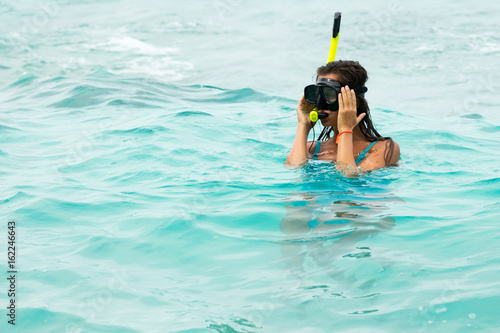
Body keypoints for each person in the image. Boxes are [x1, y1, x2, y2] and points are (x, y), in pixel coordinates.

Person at [285, 60, 400, 175]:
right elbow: (294, 171)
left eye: (330, 95)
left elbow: (346, 176)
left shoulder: (383, 148)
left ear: (355, 101)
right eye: (317, 94)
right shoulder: (312, 149)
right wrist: (303, 125)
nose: (320, 103)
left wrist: (345, 130)